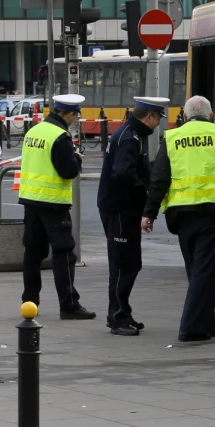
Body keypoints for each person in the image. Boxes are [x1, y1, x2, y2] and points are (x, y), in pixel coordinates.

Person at [141, 95, 215, 342]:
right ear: (211, 115)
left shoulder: (172, 138)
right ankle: (192, 327)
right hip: (211, 213)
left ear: (184, 116)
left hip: (181, 215)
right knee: (204, 271)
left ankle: (205, 324)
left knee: (196, 269)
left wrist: (149, 213)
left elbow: (159, 179)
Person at [19, 94, 95, 320]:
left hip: (31, 200)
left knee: (33, 254)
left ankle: (30, 302)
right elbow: (68, 171)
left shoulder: (33, 131)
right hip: (53, 203)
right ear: (69, 114)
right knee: (63, 253)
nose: (75, 120)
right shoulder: (60, 137)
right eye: (75, 116)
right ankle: (69, 305)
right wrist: (77, 158)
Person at [96, 96, 167, 336]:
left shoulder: (133, 134)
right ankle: (117, 317)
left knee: (131, 264)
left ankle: (122, 312)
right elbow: (123, 172)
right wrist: (145, 191)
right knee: (122, 265)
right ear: (149, 116)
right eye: (158, 118)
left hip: (124, 209)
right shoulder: (129, 137)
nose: (158, 123)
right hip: (119, 209)